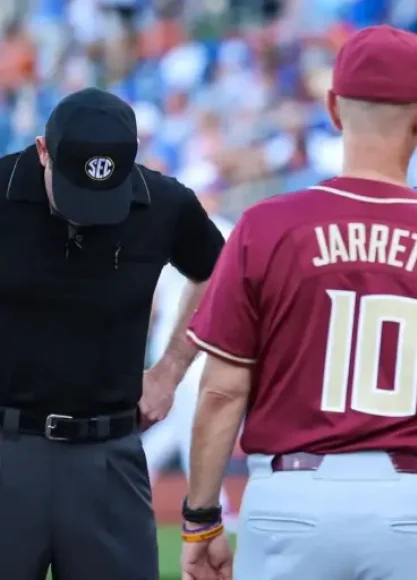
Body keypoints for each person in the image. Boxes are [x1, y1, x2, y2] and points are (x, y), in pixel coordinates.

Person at [179, 26, 417, 580]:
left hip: (292, 496)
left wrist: (201, 519)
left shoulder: (264, 227)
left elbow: (222, 390)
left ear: (334, 108)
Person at [0, 87, 225, 579]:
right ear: (43, 151)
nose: (88, 211)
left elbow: (220, 271)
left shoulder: (163, 202)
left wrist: (168, 371)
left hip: (108, 456)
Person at [143, 161, 237, 526]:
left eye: (214, 188)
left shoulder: (221, 229)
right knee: (191, 423)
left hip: (204, 344)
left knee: (172, 428)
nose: (212, 194)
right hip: (179, 345)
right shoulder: (175, 229)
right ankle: (214, 505)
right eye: (206, 188)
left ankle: (132, 479)